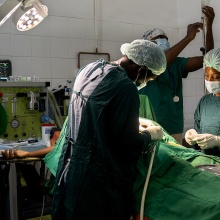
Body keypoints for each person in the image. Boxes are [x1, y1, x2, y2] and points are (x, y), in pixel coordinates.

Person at [51, 39, 167, 220]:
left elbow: (96, 115)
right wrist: (149, 135)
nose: (146, 82)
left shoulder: (91, 69)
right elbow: (129, 145)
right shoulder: (126, 87)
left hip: (71, 167)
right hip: (98, 181)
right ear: (141, 69)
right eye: (149, 78)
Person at [138, 6, 215, 144]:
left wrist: (209, 26)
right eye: (158, 38)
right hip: (149, 128)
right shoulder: (143, 65)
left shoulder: (177, 64)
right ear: (147, 45)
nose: (163, 40)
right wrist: (187, 38)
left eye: (164, 38)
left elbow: (210, 59)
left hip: (174, 128)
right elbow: (160, 62)